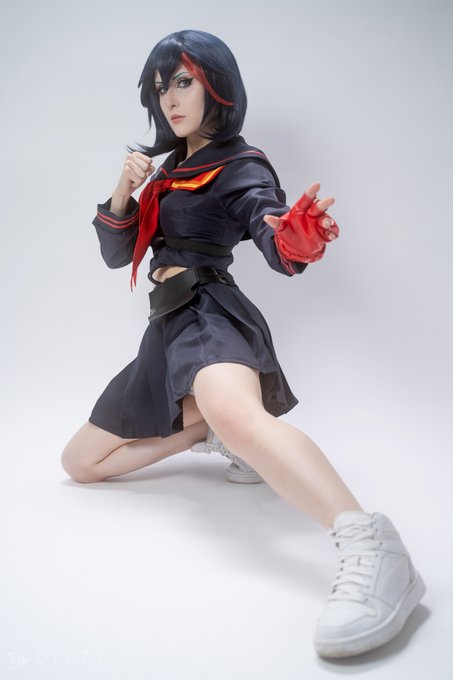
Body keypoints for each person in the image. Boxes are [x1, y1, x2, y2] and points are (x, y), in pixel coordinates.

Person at [61, 29, 426, 658]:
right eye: (161, 88)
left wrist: (294, 233)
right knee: (80, 463)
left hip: (209, 313)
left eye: (183, 82)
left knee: (237, 412)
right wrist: (124, 189)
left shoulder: (239, 164)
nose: (170, 99)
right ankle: (206, 431)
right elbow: (118, 254)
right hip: (166, 329)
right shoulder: (169, 170)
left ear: (217, 86)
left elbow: (269, 225)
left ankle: (373, 546)